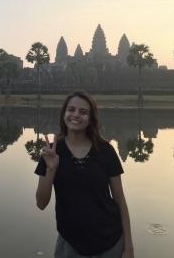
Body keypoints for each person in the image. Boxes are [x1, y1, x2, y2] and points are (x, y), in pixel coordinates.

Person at [34, 91, 134, 258]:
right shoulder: (52, 151)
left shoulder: (105, 150)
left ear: (90, 118)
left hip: (110, 242)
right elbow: (41, 203)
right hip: (71, 244)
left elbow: (120, 200)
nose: (76, 115)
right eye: (71, 110)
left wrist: (129, 246)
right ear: (64, 114)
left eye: (83, 112)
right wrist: (51, 169)